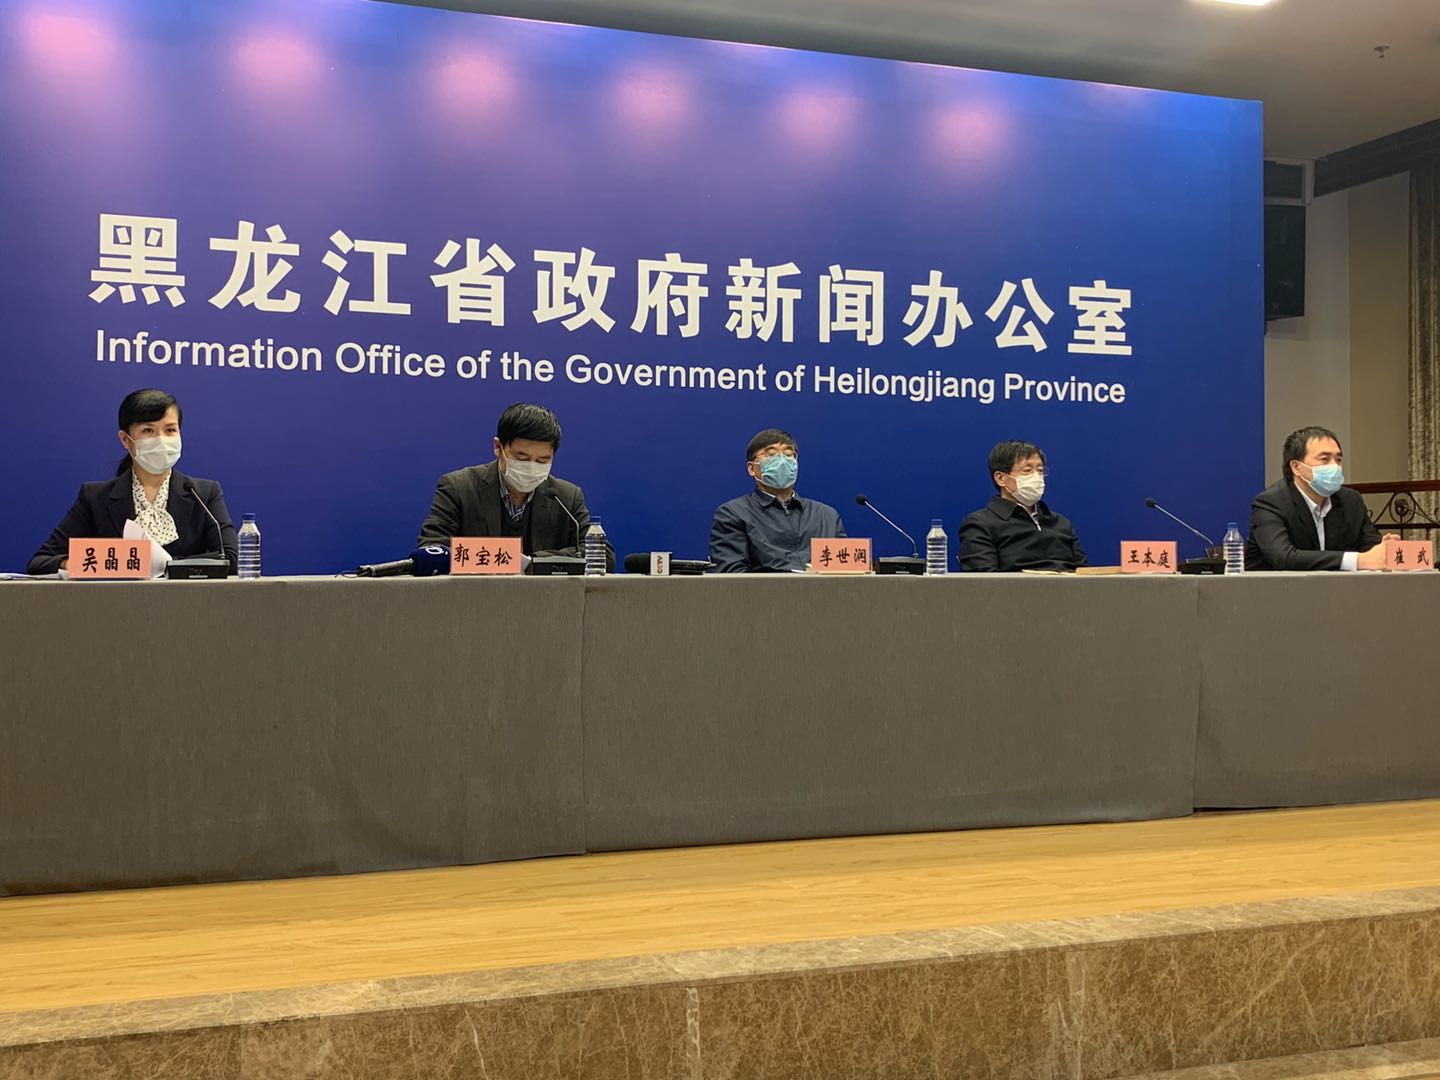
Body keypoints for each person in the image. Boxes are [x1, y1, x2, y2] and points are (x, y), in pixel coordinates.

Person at [28, 389, 238, 575]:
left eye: (170, 430)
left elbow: (231, 558)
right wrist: (83, 563)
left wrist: (167, 566)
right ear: (125, 440)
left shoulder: (203, 493)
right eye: (148, 431)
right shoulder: (95, 498)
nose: (161, 439)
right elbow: (40, 562)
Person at [417, 401, 613, 570]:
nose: (531, 467)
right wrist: (506, 559)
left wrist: (532, 562)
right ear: (498, 447)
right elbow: (432, 548)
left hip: (546, 599)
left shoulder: (566, 496)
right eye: (522, 458)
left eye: (542, 460)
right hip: (474, 597)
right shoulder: (459, 487)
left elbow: (602, 556)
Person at [1246, 426, 1395, 571]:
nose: (1335, 466)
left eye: (1338, 459)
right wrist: (1357, 560)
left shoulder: (1350, 500)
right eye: (1325, 459)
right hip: (1277, 587)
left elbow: (1369, 550)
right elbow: (1284, 557)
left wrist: (1383, 549)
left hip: (1337, 587)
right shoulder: (1270, 503)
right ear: (1296, 467)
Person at [709, 428, 845, 572]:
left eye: (788, 454)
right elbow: (732, 575)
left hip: (823, 587)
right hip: (765, 587)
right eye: (771, 454)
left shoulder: (827, 515)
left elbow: (845, 569)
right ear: (752, 468)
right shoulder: (733, 514)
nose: (782, 461)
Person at [958, 440, 1087, 572]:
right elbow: (983, 579)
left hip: (1068, 584)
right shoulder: (980, 524)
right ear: (1001, 478)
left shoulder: (1061, 523)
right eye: (1027, 470)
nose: (1036, 477)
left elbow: (1084, 574)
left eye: (1040, 470)